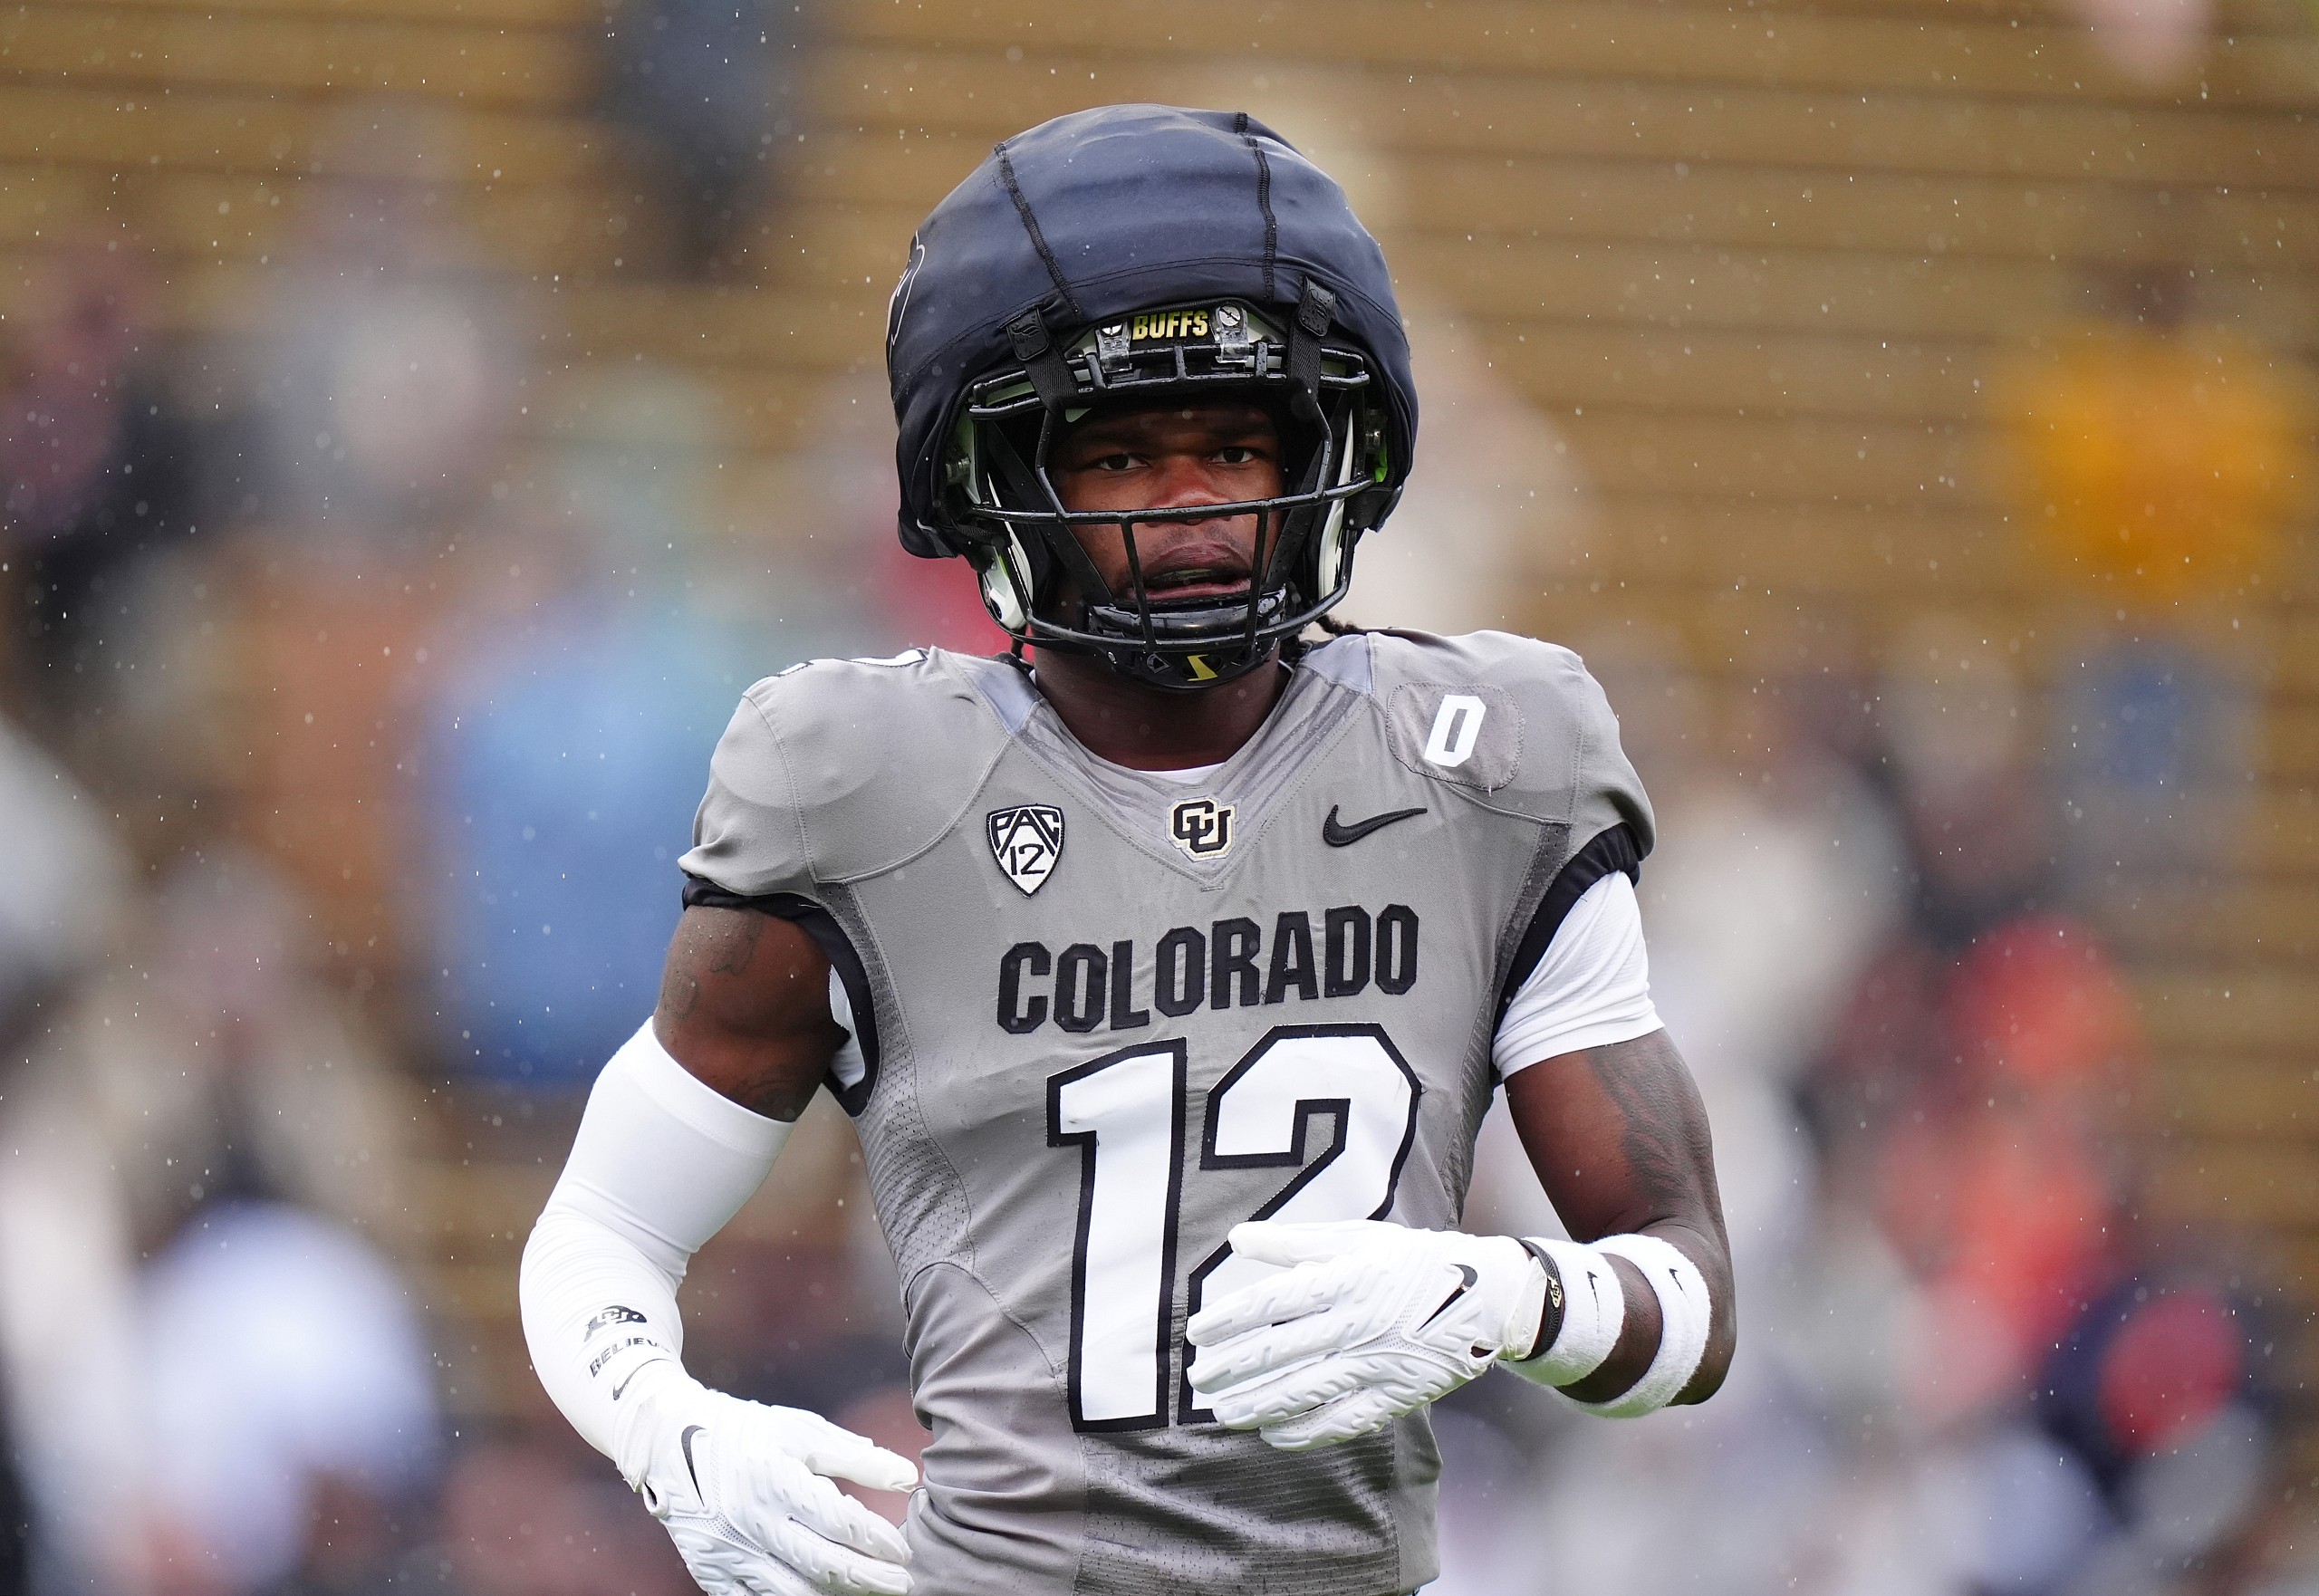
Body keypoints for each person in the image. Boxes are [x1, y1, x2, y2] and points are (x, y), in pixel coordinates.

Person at [520, 105, 1737, 1596]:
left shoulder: (1489, 758)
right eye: (1122, 455)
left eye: (1235, 440)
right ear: (1006, 482)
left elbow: (1687, 1296)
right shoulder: (862, 779)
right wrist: (674, 1432)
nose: (1196, 504)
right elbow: (602, 1229)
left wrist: (1504, 1294)